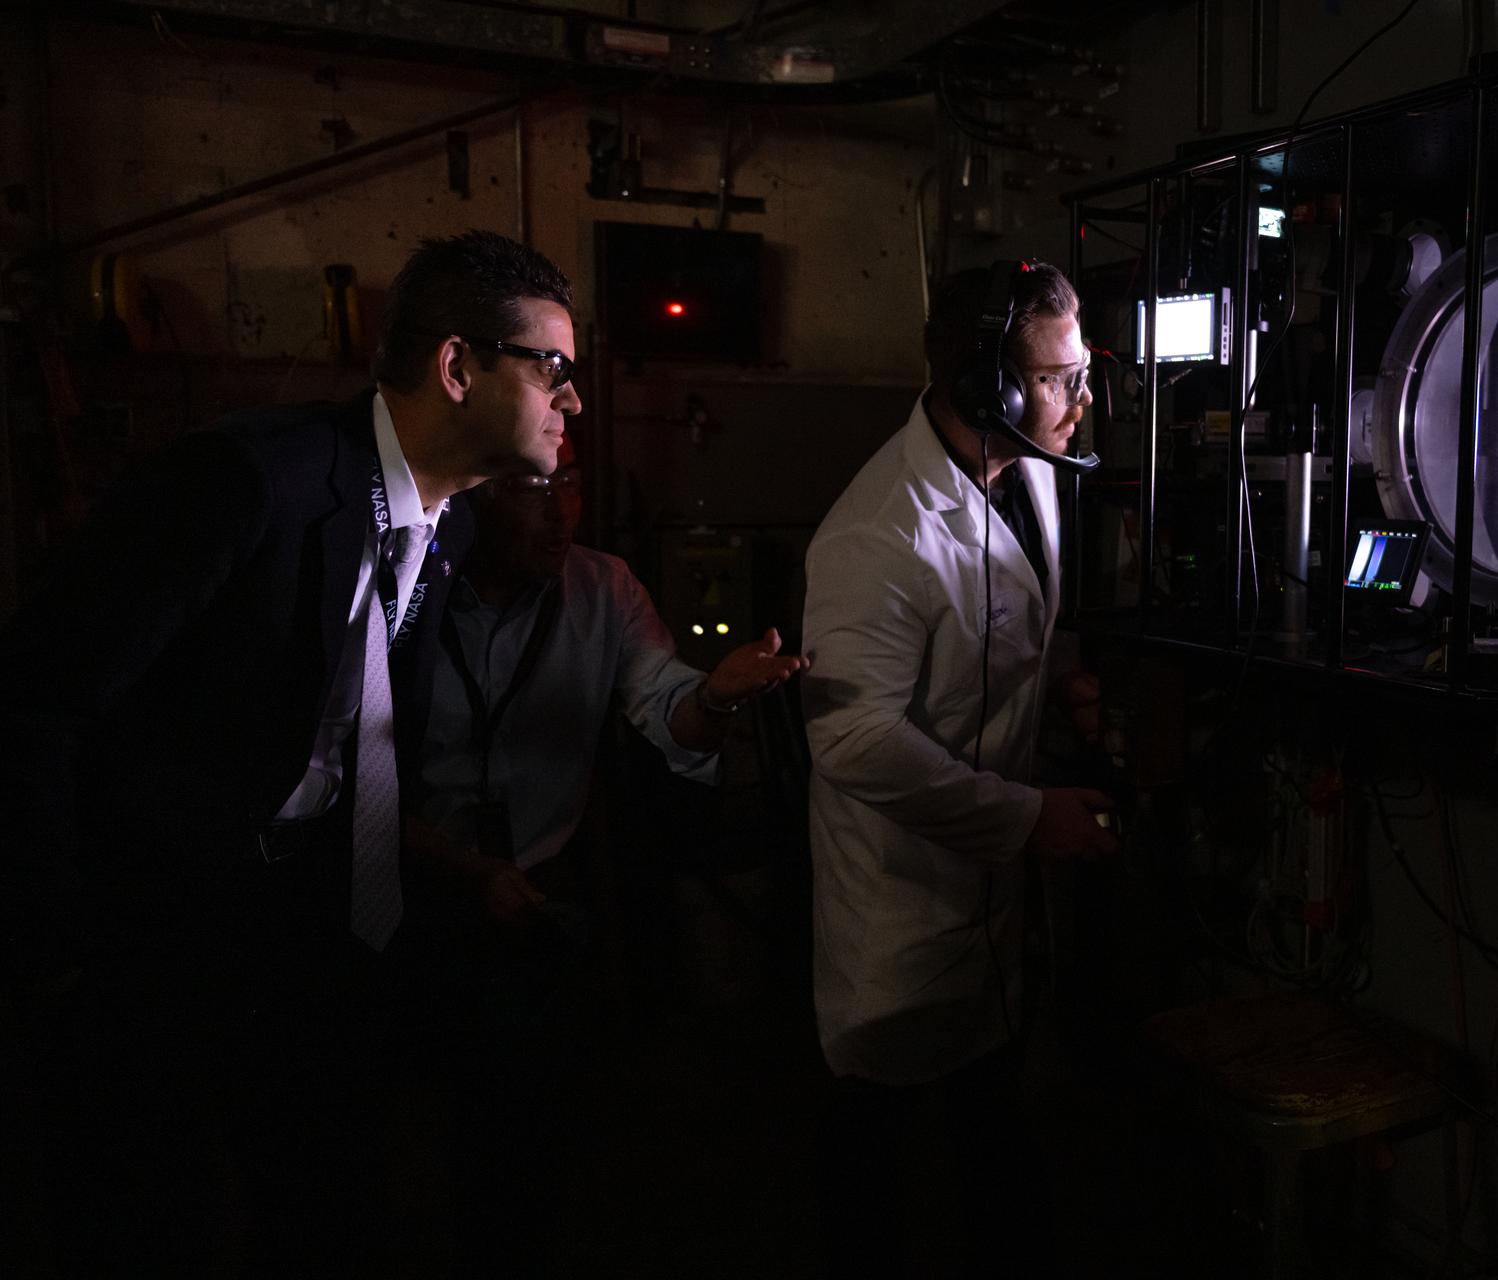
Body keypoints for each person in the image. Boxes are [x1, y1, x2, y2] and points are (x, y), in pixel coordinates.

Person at [0, 229, 581, 1272]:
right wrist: (55, 945)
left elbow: (346, 742)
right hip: (151, 940)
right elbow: (38, 696)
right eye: (554, 367)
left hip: (306, 938)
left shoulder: (441, 529)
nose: (571, 401)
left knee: (322, 1207)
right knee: (145, 1220)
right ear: (459, 366)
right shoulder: (242, 481)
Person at [405, 432, 806, 1267]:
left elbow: (667, 710)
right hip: (414, 891)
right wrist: (459, 872)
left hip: (540, 900)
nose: (560, 514)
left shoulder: (601, 589)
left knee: (538, 1139)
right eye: (531, 491)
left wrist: (717, 698)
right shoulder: (405, 587)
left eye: (573, 486)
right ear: (474, 495)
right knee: (414, 1144)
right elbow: (349, 774)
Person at [802, 260, 1119, 1276]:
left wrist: (1064, 682)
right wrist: (1026, 819)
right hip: (899, 903)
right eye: (1061, 377)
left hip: (990, 900)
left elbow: (1017, 618)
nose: (1082, 399)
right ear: (987, 386)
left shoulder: (1027, 470)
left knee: (993, 1129)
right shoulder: (877, 531)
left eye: (1083, 372)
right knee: (877, 1169)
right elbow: (852, 737)